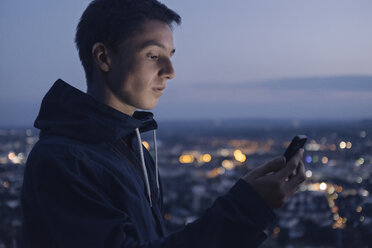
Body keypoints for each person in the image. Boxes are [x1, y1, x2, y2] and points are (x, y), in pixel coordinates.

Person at [21, 0, 306, 247]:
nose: (170, 72)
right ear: (104, 57)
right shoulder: (63, 160)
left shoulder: (126, 145)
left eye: (170, 57)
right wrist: (246, 207)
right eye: (153, 55)